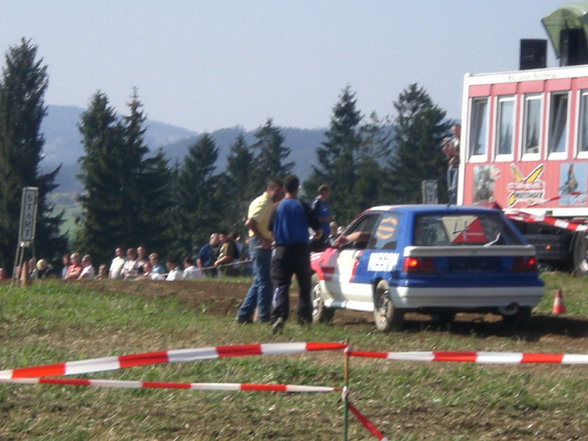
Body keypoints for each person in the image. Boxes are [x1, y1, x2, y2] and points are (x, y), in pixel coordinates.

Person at [269, 175, 321, 334]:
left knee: (281, 284)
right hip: (301, 250)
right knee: (304, 286)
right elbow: (318, 230)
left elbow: (271, 230)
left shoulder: (275, 207)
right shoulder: (303, 206)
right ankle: (304, 320)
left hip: (282, 250)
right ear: (298, 188)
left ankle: (279, 316)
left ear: (284, 189)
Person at [236, 178, 284, 324]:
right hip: (259, 244)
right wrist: (263, 239)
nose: (280, 195)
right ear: (270, 189)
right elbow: (250, 223)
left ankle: (244, 314)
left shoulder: (268, 203)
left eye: (282, 192)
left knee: (259, 281)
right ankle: (263, 316)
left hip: (261, 242)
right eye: (278, 191)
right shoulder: (263, 203)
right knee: (265, 282)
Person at [310, 184, 333, 251]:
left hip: (325, 233)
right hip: (319, 234)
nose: (329, 193)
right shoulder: (317, 202)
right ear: (323, 192)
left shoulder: (324, 203)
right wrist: (325, 219)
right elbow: (312, 218)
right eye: (328, 191)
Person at [442, 123, 460, 205]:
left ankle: (454, 203)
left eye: (455, 130)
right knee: (450, 188)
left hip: (457, 165)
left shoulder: (462, 141)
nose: (454, 132)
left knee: (454, 187)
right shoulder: (453, 141)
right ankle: (451, 202)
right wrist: (446, 145)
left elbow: (459, 154)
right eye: (453, 131)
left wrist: (452, 151)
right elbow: (448, 155)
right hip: (451, 166)